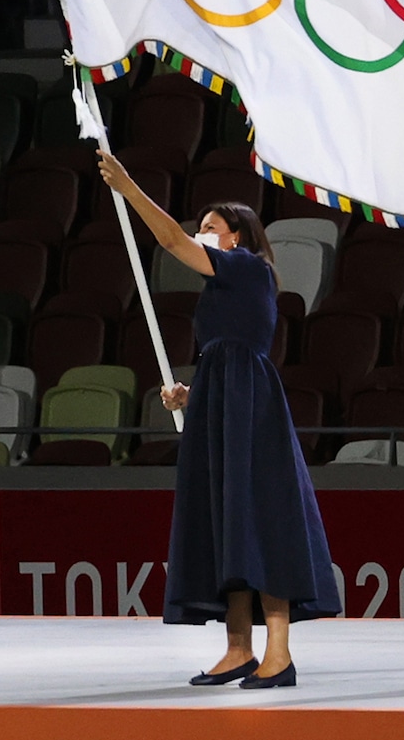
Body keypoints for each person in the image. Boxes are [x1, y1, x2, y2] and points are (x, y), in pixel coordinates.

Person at [97, 150, 340, 688]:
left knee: (260, 520)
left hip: (250, 407)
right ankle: (237, 649)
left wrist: (129, 186)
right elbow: (226, 350)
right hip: (223, 400)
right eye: (201, 227)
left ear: (236, 238)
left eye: (211, 228)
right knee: (228, 525)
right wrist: (194, 392)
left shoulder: (249, 267)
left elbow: (168, 242)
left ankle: (279, 653)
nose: (201, 234)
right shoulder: (225, 284)